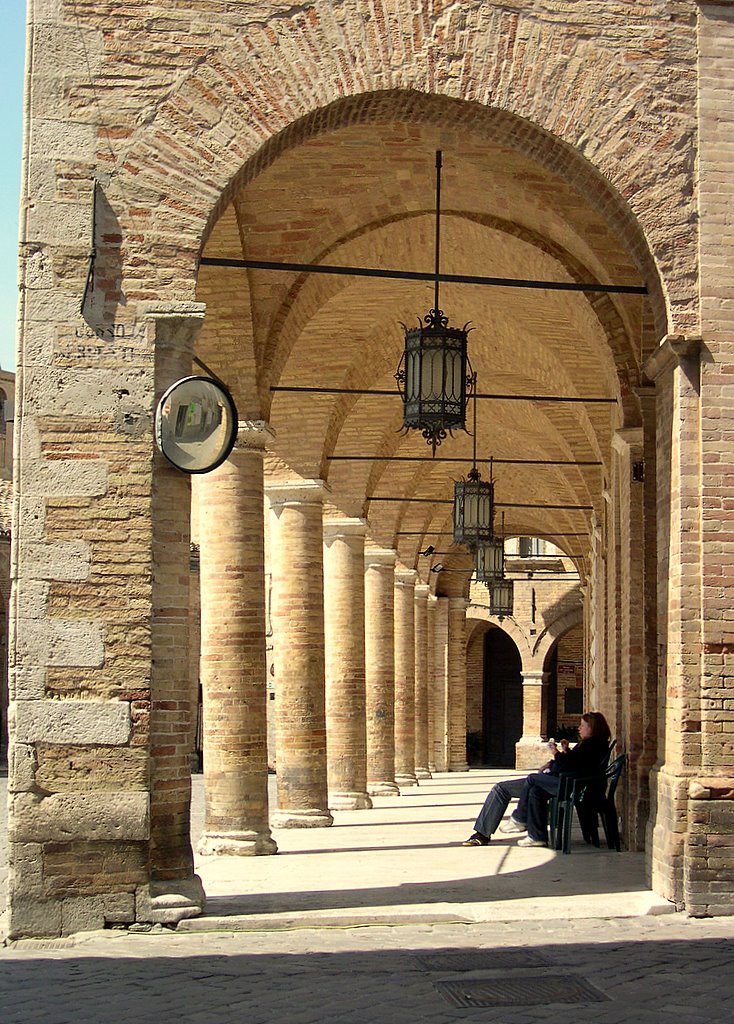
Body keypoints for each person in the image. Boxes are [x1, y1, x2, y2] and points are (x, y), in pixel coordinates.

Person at [462, 711, 612, 848]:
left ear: (593, 728)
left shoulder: (592, 745)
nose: (579, 728)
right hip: (563, 781)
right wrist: (560, 755)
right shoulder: (591, 744)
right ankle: (536, 836)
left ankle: (518, 819)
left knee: (510, 786)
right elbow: (576, 763)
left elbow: (570, 767)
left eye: (583, 725)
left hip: (567, 785)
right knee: (534, 791)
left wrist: (556, 753)